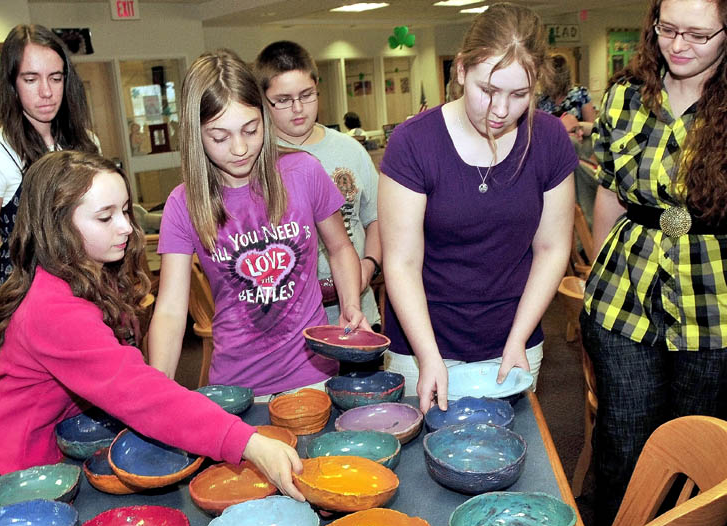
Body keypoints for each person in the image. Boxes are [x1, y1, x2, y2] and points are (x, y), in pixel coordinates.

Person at [0, 150, 304, 500]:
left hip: (67, 445)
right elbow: (137, 390)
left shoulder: (87, 272)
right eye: (105, 218)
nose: (126, 227)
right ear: (59, 227)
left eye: (124, 211)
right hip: (27, 468)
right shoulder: (54, 310)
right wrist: (248, 443)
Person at [379, 2, 577, 413]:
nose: (501, 110)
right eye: (487, 90)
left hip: (513, 337)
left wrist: (518, 337)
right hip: (423, 340)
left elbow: (553, 248)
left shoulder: (550, 140)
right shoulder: (413, 143)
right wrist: (428, 356)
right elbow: (400, 262)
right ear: (461, 71)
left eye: (519, 94)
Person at [580, 0, 727, 526]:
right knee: (624, 437)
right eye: (667, 29)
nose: (678, 45)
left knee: (697, 447)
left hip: (714, 306)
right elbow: (611, 196)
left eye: (698, 34)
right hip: (626, 293)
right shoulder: (624, 96)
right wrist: (598, 269)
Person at [147, 50, 368, 398]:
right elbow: (172, 311)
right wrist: (155, 390)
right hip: (238, 387)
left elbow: (340, 248)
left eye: (251, 130)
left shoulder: (303, 171)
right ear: (195, 135)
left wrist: (351, 305)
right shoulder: (182, 203)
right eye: (220, 137)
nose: (240, 148)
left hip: (315, 373)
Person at [0, 24, 100, 321]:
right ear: (12, 83)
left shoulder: (87, 144)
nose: (46, 92)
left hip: (84, 296)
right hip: (26, 307)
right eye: (31, 79)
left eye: (56, 78)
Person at [254, 40, 381, 330]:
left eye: (307, 95)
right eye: (283, 99)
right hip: (291, 324)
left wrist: (369, 265)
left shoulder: (351, 150)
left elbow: (374, 217)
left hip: (357, 313)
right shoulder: (256, 158)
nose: (298, 108)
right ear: (263, 100)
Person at [537, 54, 597, 133]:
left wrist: (572, 126)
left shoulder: (580, 94)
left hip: (576, 142)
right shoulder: (542, 99)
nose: (542, 79)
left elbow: (592, 127)